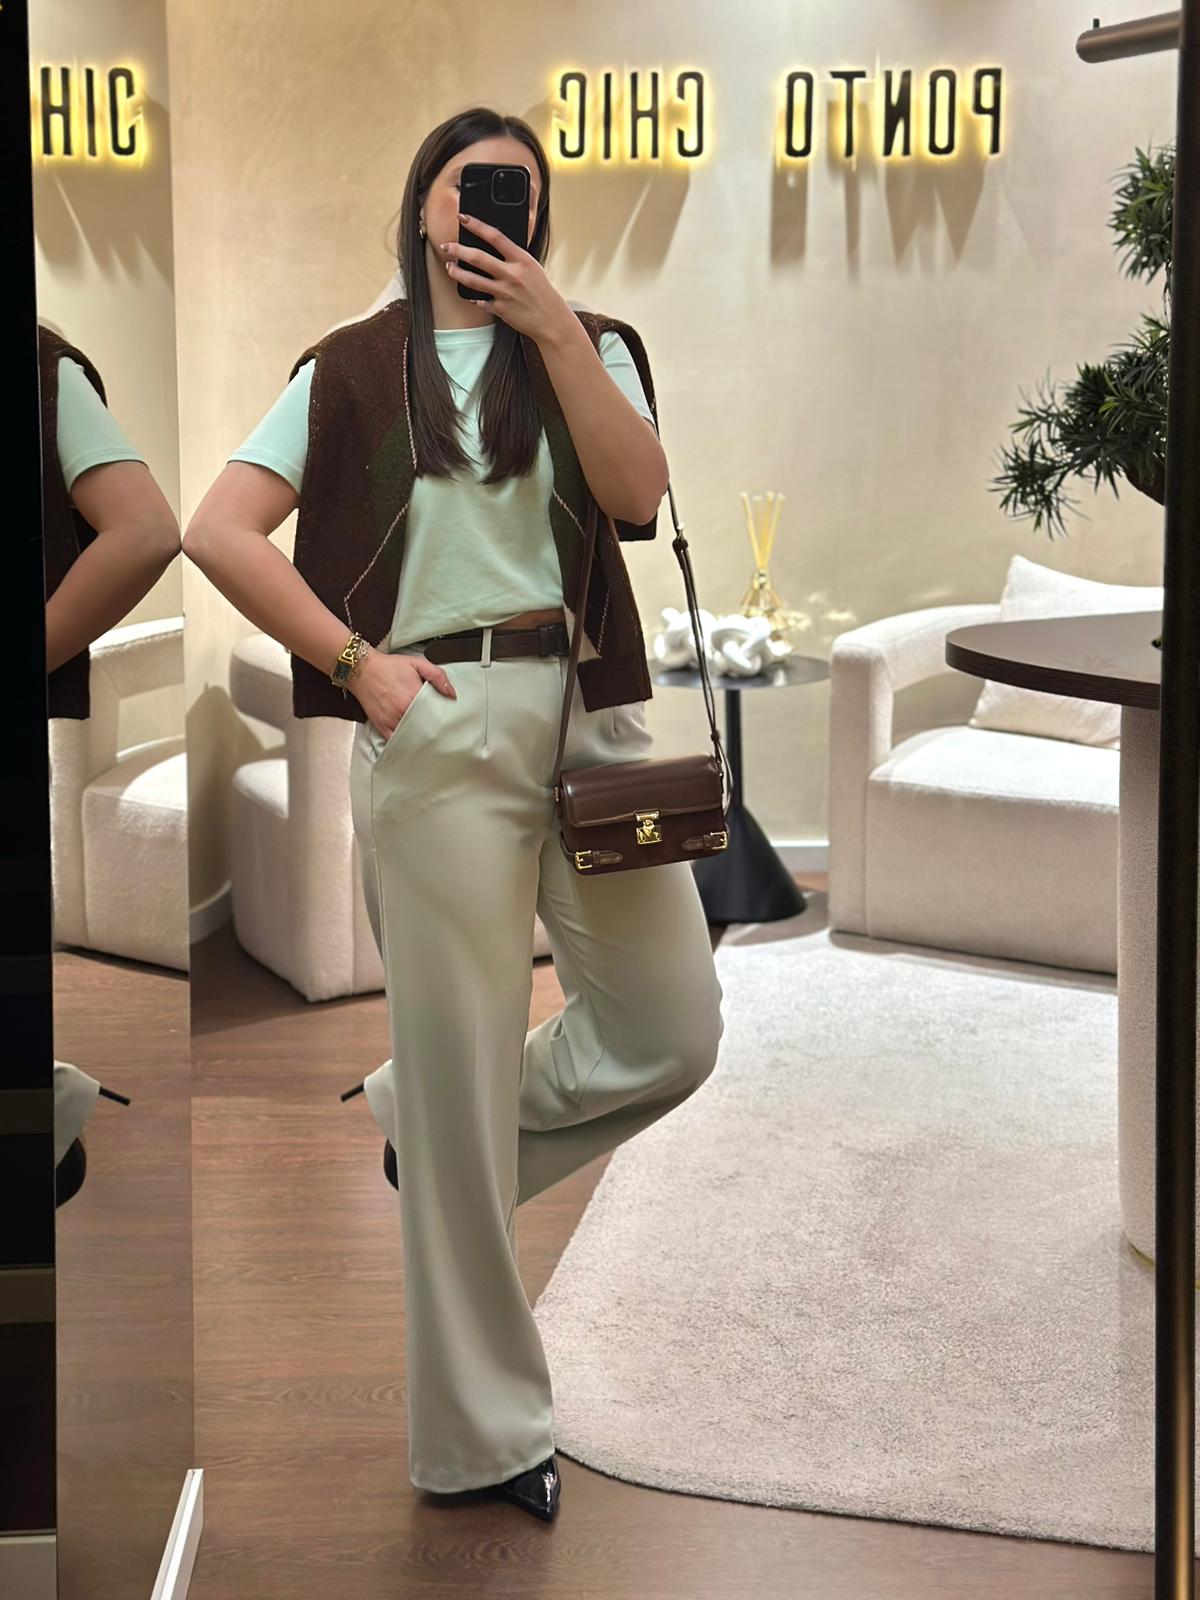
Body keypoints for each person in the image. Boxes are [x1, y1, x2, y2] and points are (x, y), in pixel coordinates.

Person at [182, 106, 725, 1523]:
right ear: (425, 204)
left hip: (589, 717)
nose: (496, 207)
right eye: (472, 186)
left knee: (675, 1027)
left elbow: (637, 493)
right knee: (465, 1075)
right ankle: (484, 1439)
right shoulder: (353, 366)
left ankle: (430, 1118)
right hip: (433, 723)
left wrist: (553, 330)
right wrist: (355, 668)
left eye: (523, 194)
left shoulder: (591, 346)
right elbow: (215, 530)